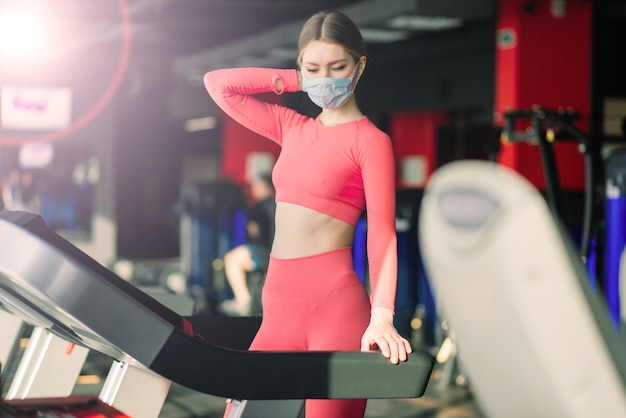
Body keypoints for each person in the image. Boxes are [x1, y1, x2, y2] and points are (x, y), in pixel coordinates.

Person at [204, 10, 412, 418]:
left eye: (338, 67)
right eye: (314, 67)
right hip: (278, 307)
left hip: (335, 309)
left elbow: (382, 234)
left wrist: (382, 315)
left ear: (360, 66)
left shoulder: (370, 141)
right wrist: (298, 80)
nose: (327, 77)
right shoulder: (290, 126)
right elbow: (219, 85)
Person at [220, 173, 276, 316]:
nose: (254, 190)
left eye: (257, 186)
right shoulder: (281, 205)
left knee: (231, 259)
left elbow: (255, 232)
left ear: (266, 186)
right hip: (278, 254)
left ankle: (243, 301)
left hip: (264, 253)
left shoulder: (258, 208)